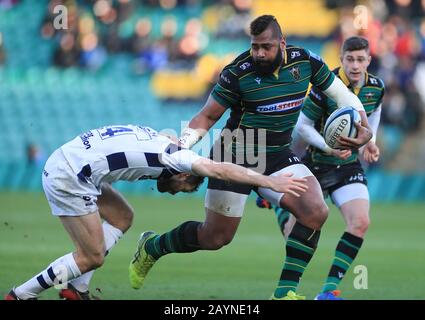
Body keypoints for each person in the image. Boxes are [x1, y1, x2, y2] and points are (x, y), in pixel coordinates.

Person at [129, 15, 374, 300]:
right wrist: (180, 148)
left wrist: (364, 125)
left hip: (279, 154)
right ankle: (153, 247)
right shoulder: (238, 72)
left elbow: (342, 96)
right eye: (255, 46)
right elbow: (207, 116)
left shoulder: (305, 61)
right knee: (216, 237)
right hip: (236, 153)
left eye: (265, 47)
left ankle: (284, 294)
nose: (258, 53)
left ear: (282, 44)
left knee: (315, 210)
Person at [4, 124, 309, 300]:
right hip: (70, 175)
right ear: (181, 176)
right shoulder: (175, 159)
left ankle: (75, 290)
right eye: (182, 190)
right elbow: (217, 167)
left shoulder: (163, 142)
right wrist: (266, 180)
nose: (174, 192)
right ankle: (20, 295)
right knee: (91, 255)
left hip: (76, 163)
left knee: (123, 217)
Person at [257, 36, 384, 300]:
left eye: (361, 59)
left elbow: (372, 118)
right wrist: (328, 147)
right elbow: (302, 126)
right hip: (315, 164)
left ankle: (329, 291)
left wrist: (369, 143)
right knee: (295, 234)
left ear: (368, 61)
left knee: (360, 222)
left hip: (348, 167)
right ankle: (278, 207)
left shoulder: (377, 87)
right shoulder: (327, 85)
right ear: (342, 59)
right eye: (350, 59)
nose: (356, 65)